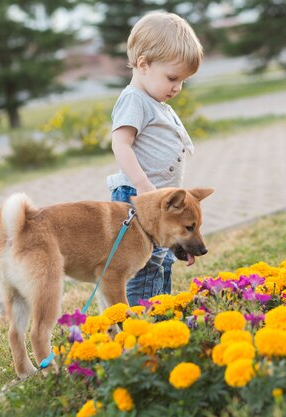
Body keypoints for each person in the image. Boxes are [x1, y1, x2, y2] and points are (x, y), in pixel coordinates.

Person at [107, 11, 204, 306]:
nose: (177, 87)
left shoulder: (154, 99)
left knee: (161, 261)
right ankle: (141, 320)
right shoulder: (134, 99)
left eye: (183, 81)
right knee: (142, 264)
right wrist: (143, 184)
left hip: (159, 202)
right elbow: (120, 144)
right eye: (172, 78)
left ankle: (162, 312)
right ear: (143, 64)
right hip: (139, 198)